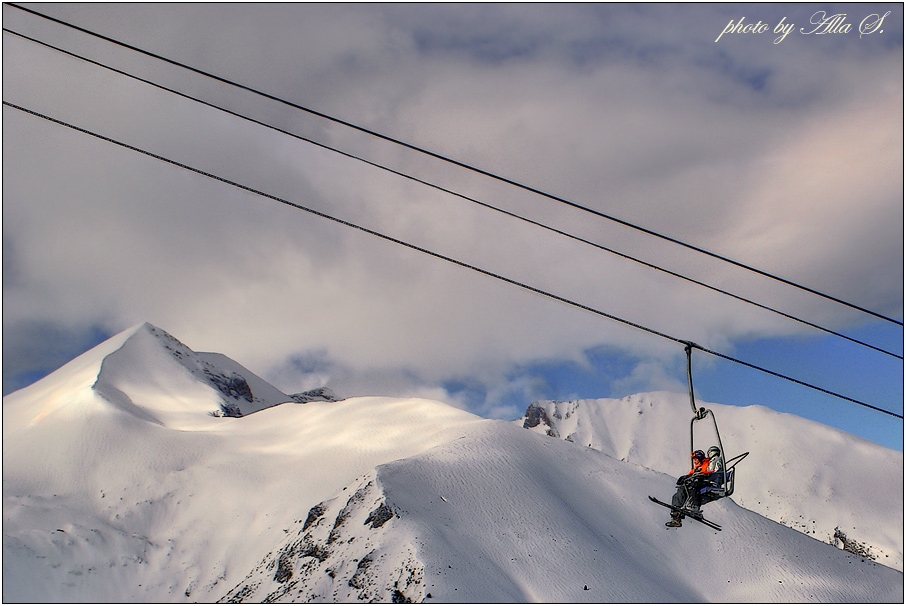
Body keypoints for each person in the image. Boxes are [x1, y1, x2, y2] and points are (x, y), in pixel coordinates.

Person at [665, 449, 712, 528]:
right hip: (696, 482)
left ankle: (695, 506)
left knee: (691, 487)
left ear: (700, 458)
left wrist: (695, 475)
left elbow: (708, 472)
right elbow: (690, 474)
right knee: (678, 494)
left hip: (703, 482)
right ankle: (676, 516)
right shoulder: (697, 467)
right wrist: (684, 478)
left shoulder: (706, 464)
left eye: (696, 459)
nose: (694, 461)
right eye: (693, 460)